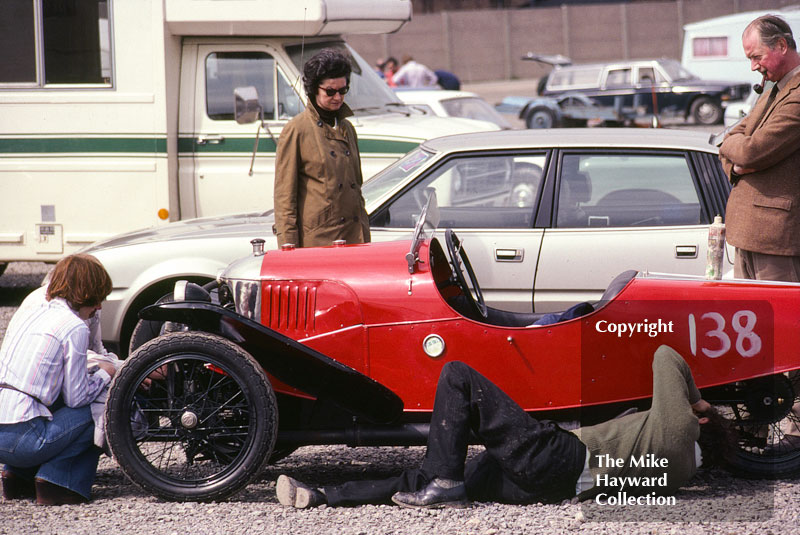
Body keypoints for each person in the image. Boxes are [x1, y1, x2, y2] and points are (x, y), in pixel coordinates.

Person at [276, 345, 734, 509]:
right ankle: (319, 496)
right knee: (428, 478)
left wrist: (698, 400)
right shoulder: (681, 471)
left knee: (457, 374)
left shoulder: (679, 432)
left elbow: (666, 356)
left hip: (560, 458)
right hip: (550, 486)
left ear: (700, 424)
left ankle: (443, 481)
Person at [0, 254, 115, 505]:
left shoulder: (30, 313)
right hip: (24, 440)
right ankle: (60, 482)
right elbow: (77, 398)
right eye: (98, 298)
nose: (99, 307)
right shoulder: (73, 327)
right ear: (86, 293)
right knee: (101, 408)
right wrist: (107, 372)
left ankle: (17, 476)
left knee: (46, 401)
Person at [719, 15, 800, 282]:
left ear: (781, 45)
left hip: (776, 239)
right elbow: (733, 137)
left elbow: (752, 151)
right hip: (753, 235)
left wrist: (739, 153)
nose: (754, 66)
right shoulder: (774, 89)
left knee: (780, 321)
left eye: (757, 57)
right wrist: (737, 159)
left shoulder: (796, 93)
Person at [274, 48, 370, 248]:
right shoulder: (297, 130)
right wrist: (288, 248)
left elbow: (356, 187)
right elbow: (285, 199)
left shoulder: (347, 128)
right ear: (314, 89)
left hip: (354, 239)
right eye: (330, 91)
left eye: (343, 90)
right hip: (320, 243)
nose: (338, 97)